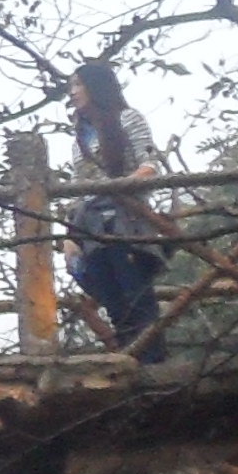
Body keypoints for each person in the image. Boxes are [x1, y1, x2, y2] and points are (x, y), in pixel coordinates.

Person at [64, 61, 168, 360]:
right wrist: (70, 233)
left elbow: (149, 166)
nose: (73, 93)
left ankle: (154, 367)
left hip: (129, 222)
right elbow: (77, 188)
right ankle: (130, 363)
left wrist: (118, 188)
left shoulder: (127, 118)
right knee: (113, 302)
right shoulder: (80, 138)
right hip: (92, 227)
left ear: (95, 86)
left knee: (137, 297)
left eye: (77, 85)